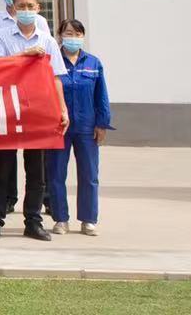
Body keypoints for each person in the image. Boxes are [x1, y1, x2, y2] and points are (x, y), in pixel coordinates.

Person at [0, 0, 70, 241]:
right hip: (7, 108)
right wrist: (25, 54)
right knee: (1, 168)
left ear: (38, 8)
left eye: (30, 6)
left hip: (38, 110)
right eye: (20, 6)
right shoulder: (2, 35)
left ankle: (33, 221)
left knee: (37, 171)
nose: (25, 10)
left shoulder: (47, 40)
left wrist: (62, 109)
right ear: (13, 8)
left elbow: (56, 78)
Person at [49, 19, 110, 237]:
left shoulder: (93, 63)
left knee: (89, 174)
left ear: (83, 37)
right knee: (56, 174)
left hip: (87, 126)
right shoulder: (52, 62)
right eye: (68, 33)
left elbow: (101, 95)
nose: (73, 38)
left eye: (77, 34)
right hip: (59, 127)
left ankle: (88, 220)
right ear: (60, 36)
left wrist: (102, 123)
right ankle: (60, 219)